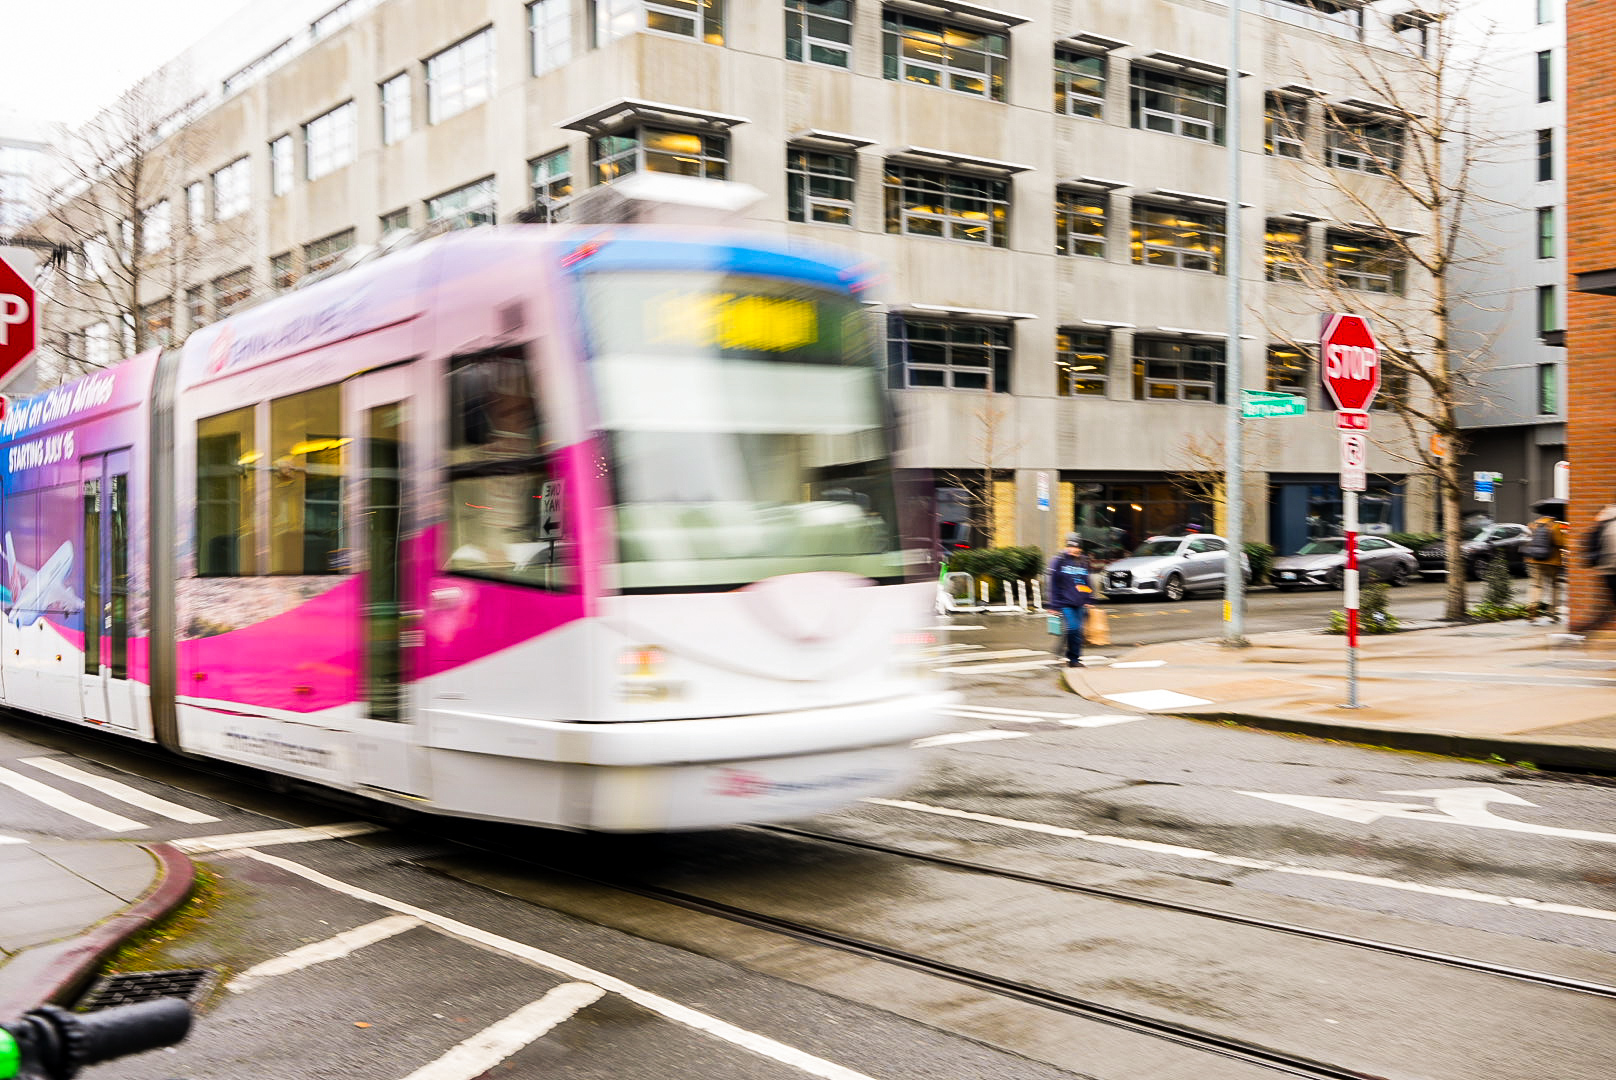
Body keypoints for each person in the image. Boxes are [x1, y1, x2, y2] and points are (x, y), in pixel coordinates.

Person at [1046, 533, 1094, 668]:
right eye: (1070, 546)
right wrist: (1054, 605)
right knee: (1073, 628)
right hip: (1065, 603)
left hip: (1080, 602)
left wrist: (1089, 599)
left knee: (1077, 632)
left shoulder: (1084, 562)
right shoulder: (1059, 561)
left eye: (1075, 546)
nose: (1072, 549)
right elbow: (1053, 584)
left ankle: (1074, 659)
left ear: (1080, 548)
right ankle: (1069, 655)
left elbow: (1087, 581)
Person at [1522, 499, 1569, 622]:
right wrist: (1565, 537)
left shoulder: (1535, 525)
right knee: (1554, 586)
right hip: (1551, 561)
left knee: (1536, 585)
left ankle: (1533, 605)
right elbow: (1561, 543)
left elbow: (1530, 541)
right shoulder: (1554, 525)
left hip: (1534, 559)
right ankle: (1552, 612)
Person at [1575, 504, 1616, 633]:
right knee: (1606, 607)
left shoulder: (1606, 521)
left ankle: (1585, 630)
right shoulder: (1609, 522)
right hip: (1611, 570)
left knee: (1606, 608)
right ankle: (1585, 630)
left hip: (1609, 570)